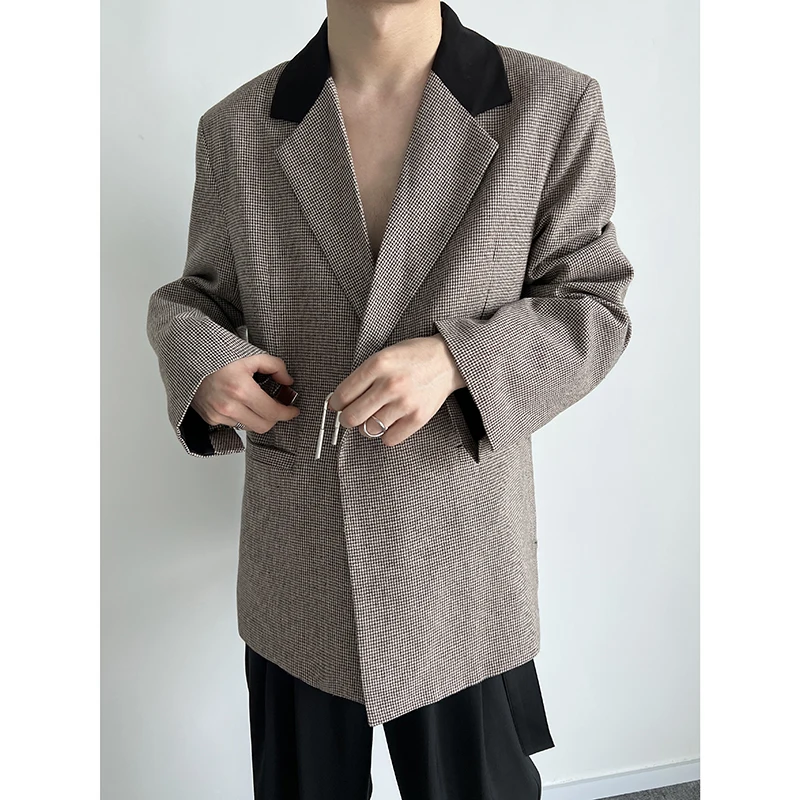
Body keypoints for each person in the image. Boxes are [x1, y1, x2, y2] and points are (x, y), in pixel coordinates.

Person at [146, 1, 634, 797]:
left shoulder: (550, 104)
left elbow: (594, 303)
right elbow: (195, 299)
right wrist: (205, 366)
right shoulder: (236, 128)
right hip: (298, 565)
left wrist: (458, 360)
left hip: (461, 566)